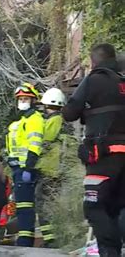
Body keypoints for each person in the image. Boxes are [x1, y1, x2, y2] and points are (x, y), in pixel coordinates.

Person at [62, 43, 125, 257]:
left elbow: (70, 113)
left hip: (103, 157)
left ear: (93, 61)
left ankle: (110, 252)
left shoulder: (93, 80)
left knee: (95, 207)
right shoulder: (123, 82)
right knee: (118, 206)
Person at [6, 83, 44, 247]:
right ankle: (24, 237)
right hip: (17, 168)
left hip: (25, 168)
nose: (22, 101)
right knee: (21, 205)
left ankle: (25, 240)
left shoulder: (34, 119)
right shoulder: (21, 120)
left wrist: (28, 167)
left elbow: (35, 144)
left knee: (25, 206)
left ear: (33, 100)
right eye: (20, 99)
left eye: (26, 98)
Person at [35, 87, 67, 248]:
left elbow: (45, 140)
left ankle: (50, 239)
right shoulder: (61, 120)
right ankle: (51, 237)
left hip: (50, 169)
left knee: (43, 202)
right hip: (55, 168)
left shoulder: (54, 120)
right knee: (49, 202)